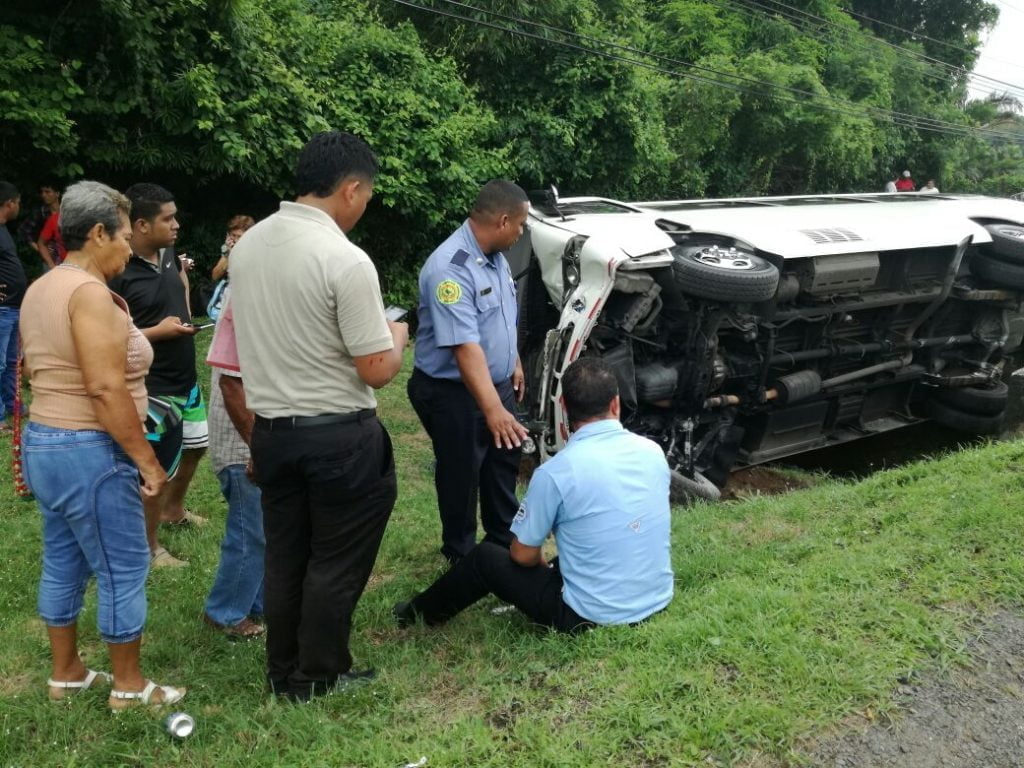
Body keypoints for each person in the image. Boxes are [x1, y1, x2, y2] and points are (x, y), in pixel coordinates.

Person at [230, 131, 408, 701]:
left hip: (273, 433)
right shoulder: (344, 258)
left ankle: (283, 670)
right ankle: (318, 676)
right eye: (367, 196)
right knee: (336, 559)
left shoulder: (249, 246)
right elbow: (377, 368)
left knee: (286, 555)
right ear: (351, 189)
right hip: (338, 436)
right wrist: (398, 335)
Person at [20, 180, 184, 709]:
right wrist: (146, 461)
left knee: (63, 559)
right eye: (121, 237)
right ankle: (130, 687)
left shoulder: (44, 285)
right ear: (97, 232)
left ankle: (66, 672)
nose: (127, 250)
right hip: (90, 449)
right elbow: (104, 386)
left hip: (46, 443)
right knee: (125, 565)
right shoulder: (88, 293)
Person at [393, 357, 674, 632]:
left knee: (486, 557)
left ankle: (414, 616)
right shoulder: (652, 451)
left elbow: (523, 555)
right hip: (657, 599)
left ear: (563, 406)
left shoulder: (556, 472)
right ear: (615, 403)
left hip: (587, 617)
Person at [407, 180, 531, 564]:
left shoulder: (495, 257)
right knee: (461, 477)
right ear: (503, 220)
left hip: (495, 387)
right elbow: (464, 348)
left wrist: (513, 360)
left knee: (502, 469)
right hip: (454, 395)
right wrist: (493, 409)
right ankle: (460, 560)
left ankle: (501, 548)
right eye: (522, 224)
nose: (522, 232)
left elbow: (498, 320)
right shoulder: (450, 269)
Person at [108, 183, 207, 568]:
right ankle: (149, 549)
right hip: (153, 386)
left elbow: (178, 284)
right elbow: (107, 336)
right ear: (141, 225)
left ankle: (174, 511)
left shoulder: (167, 253)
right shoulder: (118, 270)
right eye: (168, 219)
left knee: (195, 447)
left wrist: (183, 302)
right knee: (152, 472)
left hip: (186, 377)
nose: (177, 224)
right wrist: (157, 332)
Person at [202, 288, 265, 639]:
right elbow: (231, 386)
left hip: (257, 442)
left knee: (264, 529)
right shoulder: (243, 301)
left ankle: (256, 604)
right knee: (249, 531)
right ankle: (224, 612)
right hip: (241, 446)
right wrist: (258, 448)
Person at [0, 182, 26, 431]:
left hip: (13, 307)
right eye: (17, 202)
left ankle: (13, 406)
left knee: (11, 362)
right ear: (9, 203)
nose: (19, 207)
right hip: (3, 309)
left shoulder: (4, 230)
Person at [18, 181, 61, 267]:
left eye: (47, 192)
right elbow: (24, 231)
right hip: (49, 258)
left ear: (57, 193)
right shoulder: (40, 213)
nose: (44, 195)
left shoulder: (67, 210)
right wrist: (39, 248)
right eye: (42, 192)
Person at [211, 214, 256, 282]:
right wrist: (228, 254)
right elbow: (215, 276)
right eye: (233, 235)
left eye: (239, 236)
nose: (236, 240)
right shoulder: (227, 248)